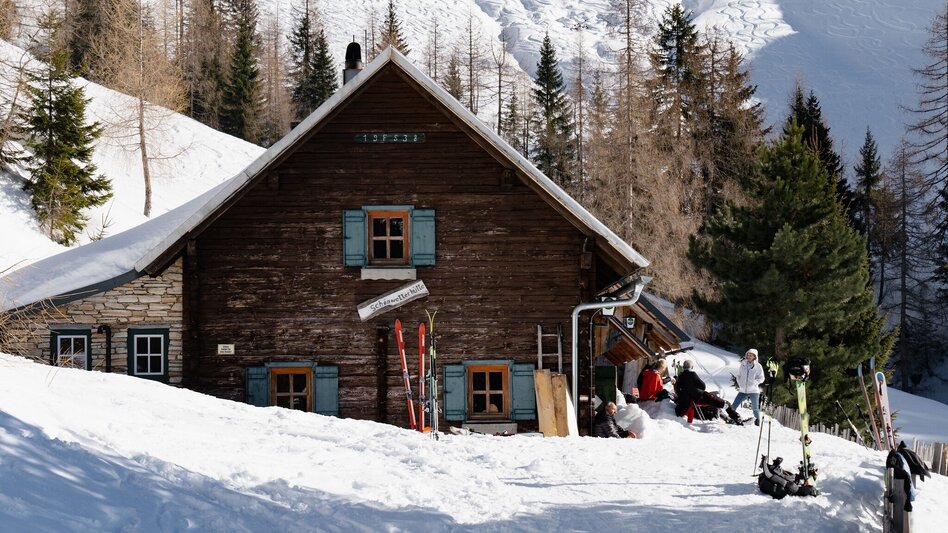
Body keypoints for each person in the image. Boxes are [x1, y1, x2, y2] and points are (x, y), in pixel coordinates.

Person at [674, 360, 742, 424]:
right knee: (724, 403)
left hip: (686, 403)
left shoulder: (680, 376)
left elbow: (677, 390)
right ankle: (737, 418)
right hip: (698, 398)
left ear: (683, 367)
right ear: (692, 367)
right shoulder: (692, 374)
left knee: (716, 403)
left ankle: (729, 418)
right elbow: (703, 386)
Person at [732, 348, 766, 425]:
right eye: (748, 354)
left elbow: (762, 378)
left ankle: (757, 422)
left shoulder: (758, 366)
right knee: (734, 405)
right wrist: (740, 383)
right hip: (743, 390)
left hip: (753, 391)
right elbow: (739, 375)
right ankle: (731, 418)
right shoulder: (743, 364)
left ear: (755, 357)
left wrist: (755, 382)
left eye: (751, 355)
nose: (749, 356)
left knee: (755, 408)